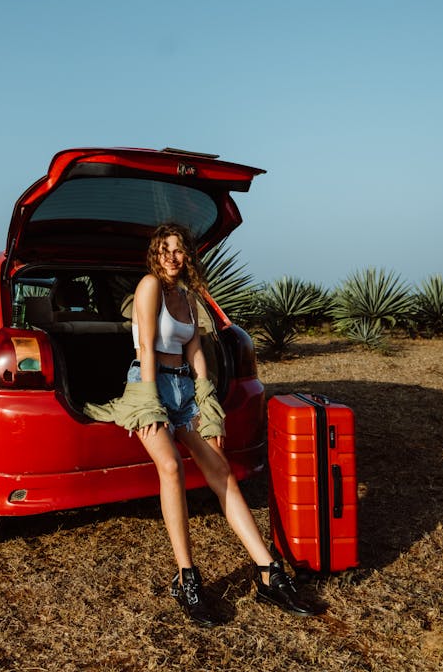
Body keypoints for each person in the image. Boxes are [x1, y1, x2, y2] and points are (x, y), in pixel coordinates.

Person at [88, 222, 316, 626]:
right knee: (172, 467)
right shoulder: (149, 287)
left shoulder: (190, 298)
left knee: (221, 472)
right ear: (154, 254)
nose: (172, 257)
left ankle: (267, 572)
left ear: (188, 255)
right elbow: (145, 345)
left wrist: (205, 399)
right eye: (165, 249)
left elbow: (194, 351)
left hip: (183, 390)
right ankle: (186, 577)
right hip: (147, 384)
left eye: (179, 250)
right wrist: (151, 399)